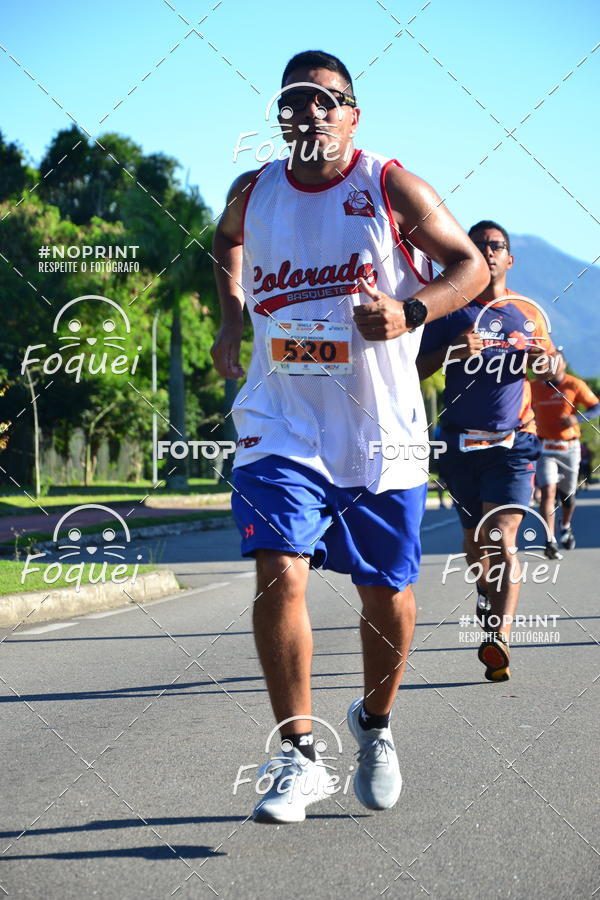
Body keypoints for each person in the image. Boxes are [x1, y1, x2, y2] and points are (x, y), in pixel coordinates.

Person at [211, 49, 488, 824]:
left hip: (381, 428)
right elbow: (225, 242)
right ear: (280, 115)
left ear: (353, 112)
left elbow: (467, 266)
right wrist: (232, 318)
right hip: (280, 423)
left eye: (326, 100)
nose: (310, 113)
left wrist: (411, 312)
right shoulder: (253, 190)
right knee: (280, 570)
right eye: (295, 100)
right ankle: (297, 753)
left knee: (388, 596)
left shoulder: (388, 185)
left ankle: (374, 723)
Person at [417, 221, 556, 682]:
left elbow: (552, 366)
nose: (488, 252)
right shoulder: (449, 310)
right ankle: (484, 589)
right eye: (478, 246)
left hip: (513, 443)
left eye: (496, 246)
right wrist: (452, 351)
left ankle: (500, 638)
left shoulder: (525, 313)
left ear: (509, 259)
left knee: (503, 539)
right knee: (477, 542)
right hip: (459, 444)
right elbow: (412, 370)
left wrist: (547, 363)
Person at [530, 353, 600, 554]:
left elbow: (596, 407)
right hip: (545, 447)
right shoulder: (534, 386)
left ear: (563, 365)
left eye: (555, 362)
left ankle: (565, 526)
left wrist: (576, 419)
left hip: (569, 447)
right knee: (547, 493)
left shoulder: (574, 384)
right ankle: (549, 540)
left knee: (567, 496)